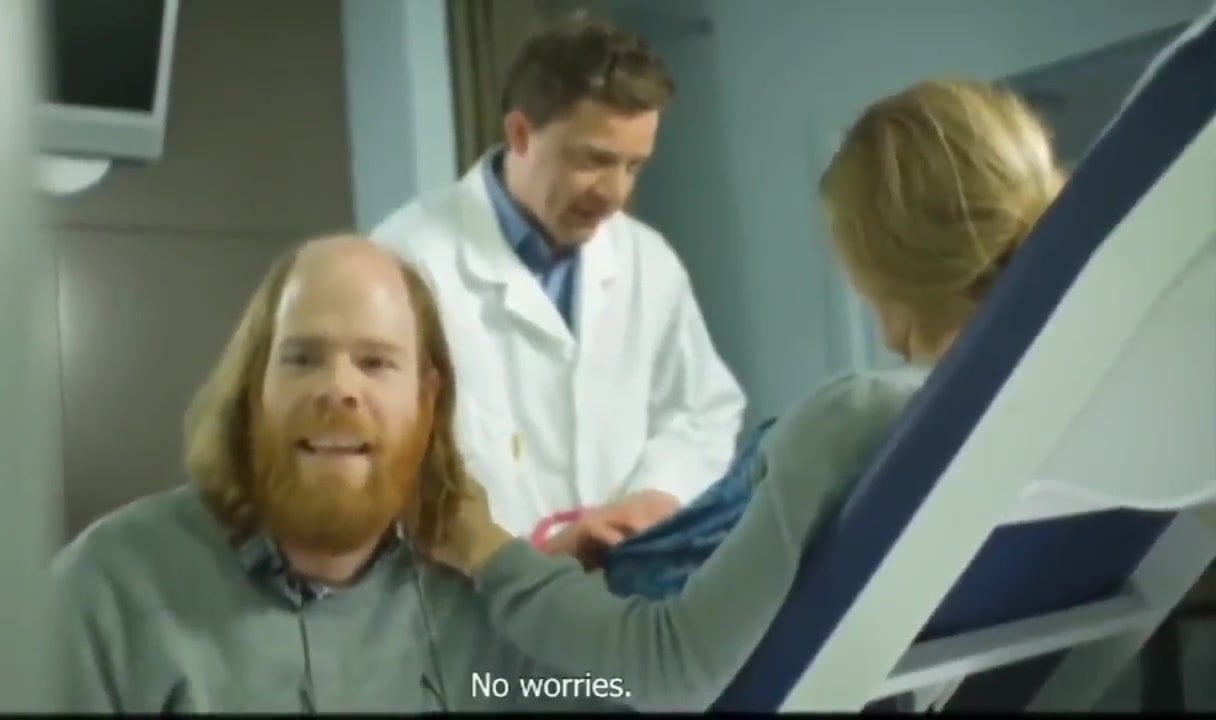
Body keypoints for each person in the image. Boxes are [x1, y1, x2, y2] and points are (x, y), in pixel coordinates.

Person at [434, 75, 1070, 688]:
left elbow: (671, 665)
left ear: (874, 256)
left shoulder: (859, 419)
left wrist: (487, 550)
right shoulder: (1044, 410)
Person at [50, 234, 770, 713]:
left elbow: (644, 686)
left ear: (427, 403)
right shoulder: (110, 594)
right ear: (252, 392)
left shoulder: (482, 618)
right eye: (302, 358)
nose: (339, 388)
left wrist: (526, 575)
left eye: (376, 362)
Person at [370, 16, 746, 557]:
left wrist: (653, 497)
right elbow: (378, 461)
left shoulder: (647, 261)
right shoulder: (404, 261)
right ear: (521, 134)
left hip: (618, 587)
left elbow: (701, 411)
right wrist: (528, 562)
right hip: (468, 596)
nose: (614, 193)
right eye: (594, 160)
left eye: (633, 167)